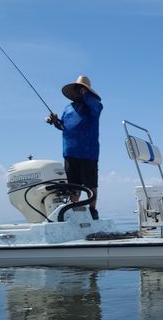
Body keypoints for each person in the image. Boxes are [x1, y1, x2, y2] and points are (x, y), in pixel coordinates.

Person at [47, 75, 103, 219]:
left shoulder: (94, 104)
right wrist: (54, 121)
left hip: (88, 152)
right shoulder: (68, 108)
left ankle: (92, 210)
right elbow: (63, 126)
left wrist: (86, 95)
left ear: (87, 91)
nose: (79, 92)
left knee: (91, 184)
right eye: (77, 89)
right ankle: (75, 209)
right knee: (73, 184)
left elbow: (96, 107)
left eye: (82, 89)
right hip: (70, 152)